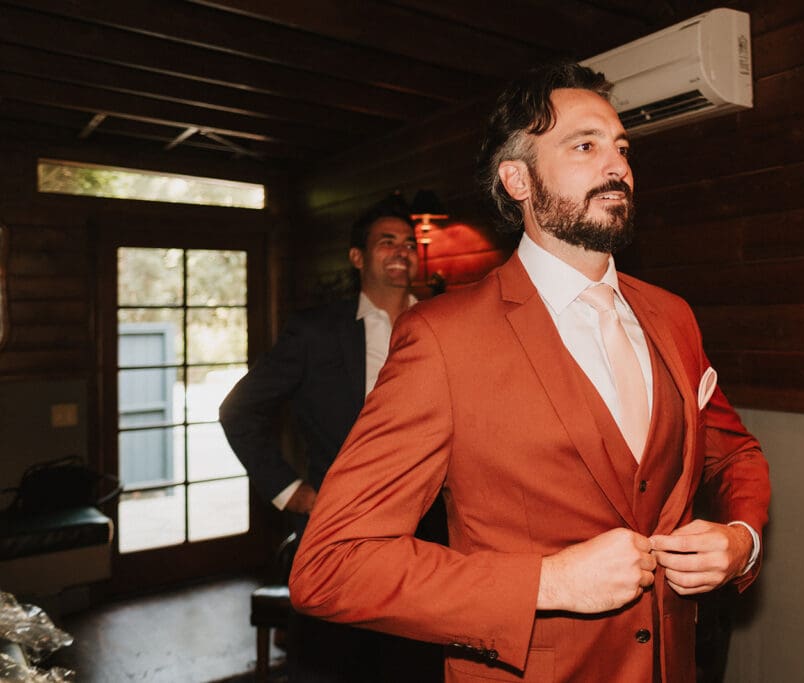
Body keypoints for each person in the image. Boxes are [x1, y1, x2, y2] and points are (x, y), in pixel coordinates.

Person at [289, 62, 770, 682]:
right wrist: (546, 582)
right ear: (517, 178)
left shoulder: (672, 316)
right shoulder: (443, 339)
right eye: (585, 145)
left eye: (621, 148)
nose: (617, 165)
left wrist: (740, 542)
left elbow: (735, 456)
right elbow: (332, 564)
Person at [220, 194, 445, 681]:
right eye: (387, 241)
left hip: (429, 535)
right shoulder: (314, 332)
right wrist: (292, 493)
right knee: (331, 666)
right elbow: (238, 410)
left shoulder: (444, 325)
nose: (402, 251)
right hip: (337, 529)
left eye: (409, 242)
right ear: (357, 257)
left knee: (417, 667)